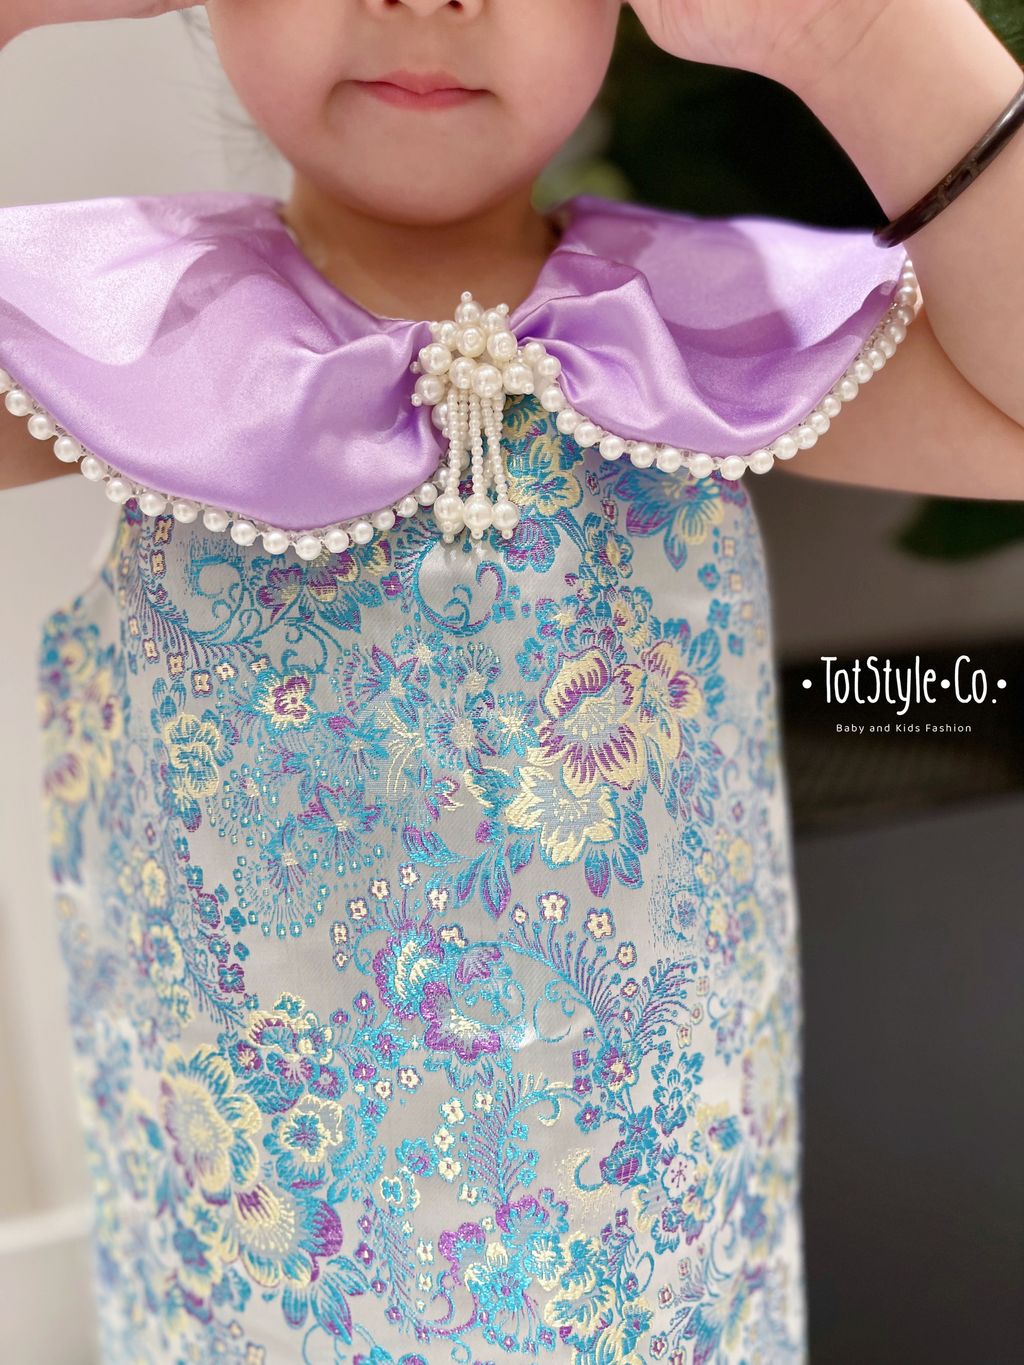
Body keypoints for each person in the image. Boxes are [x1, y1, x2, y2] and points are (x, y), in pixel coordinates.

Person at [1, 2, 1023, 1362]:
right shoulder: (132, 327)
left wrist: (864, 37)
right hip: (266, 1299)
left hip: (656, 1282)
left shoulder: (696, 326)